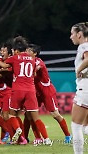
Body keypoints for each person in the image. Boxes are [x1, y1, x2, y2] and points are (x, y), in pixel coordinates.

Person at [0, 36, 51, 145]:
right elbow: (34, 73)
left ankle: (17, 129)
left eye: (12, 50)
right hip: (30, 90)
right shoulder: (32, 59)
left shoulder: (15, 57)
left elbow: (5, 65)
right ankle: (46, 139)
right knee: (36, 117)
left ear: (16, 50)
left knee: (11, 115)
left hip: (18, 90)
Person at [25, 44, 71, 143]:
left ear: (35, 53)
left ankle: (68, 135)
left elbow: (37, 69)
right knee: (29, 114)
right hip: (36, 91)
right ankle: (38, 138)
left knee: (55, 114)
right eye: (26, 50)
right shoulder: (26, 62)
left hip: (47, 91)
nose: (26, 52)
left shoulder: (38, 61)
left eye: (29, 50)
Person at [70, 22, 88, 154]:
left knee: (76, 126)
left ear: (79, 35)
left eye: (72, 34)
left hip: (85, 89)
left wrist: (79, 70)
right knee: (85, 126)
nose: (71, 37)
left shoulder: (84, 46)